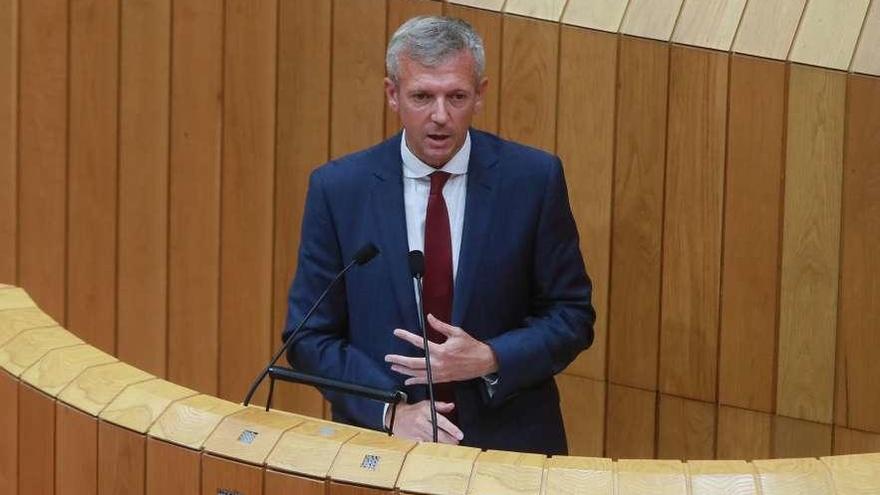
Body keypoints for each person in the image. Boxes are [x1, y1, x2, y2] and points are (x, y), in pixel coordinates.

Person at [284, 15, 594, 455]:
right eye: (422, 96)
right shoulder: (339, 190)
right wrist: (390, 411)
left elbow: (572, 315)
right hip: (383, 450)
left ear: (481, 95)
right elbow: (308, 335)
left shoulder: (532, 180)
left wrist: (491, 357)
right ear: (393, 94)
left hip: (508, 449)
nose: (440, 116)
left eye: (457, 96)